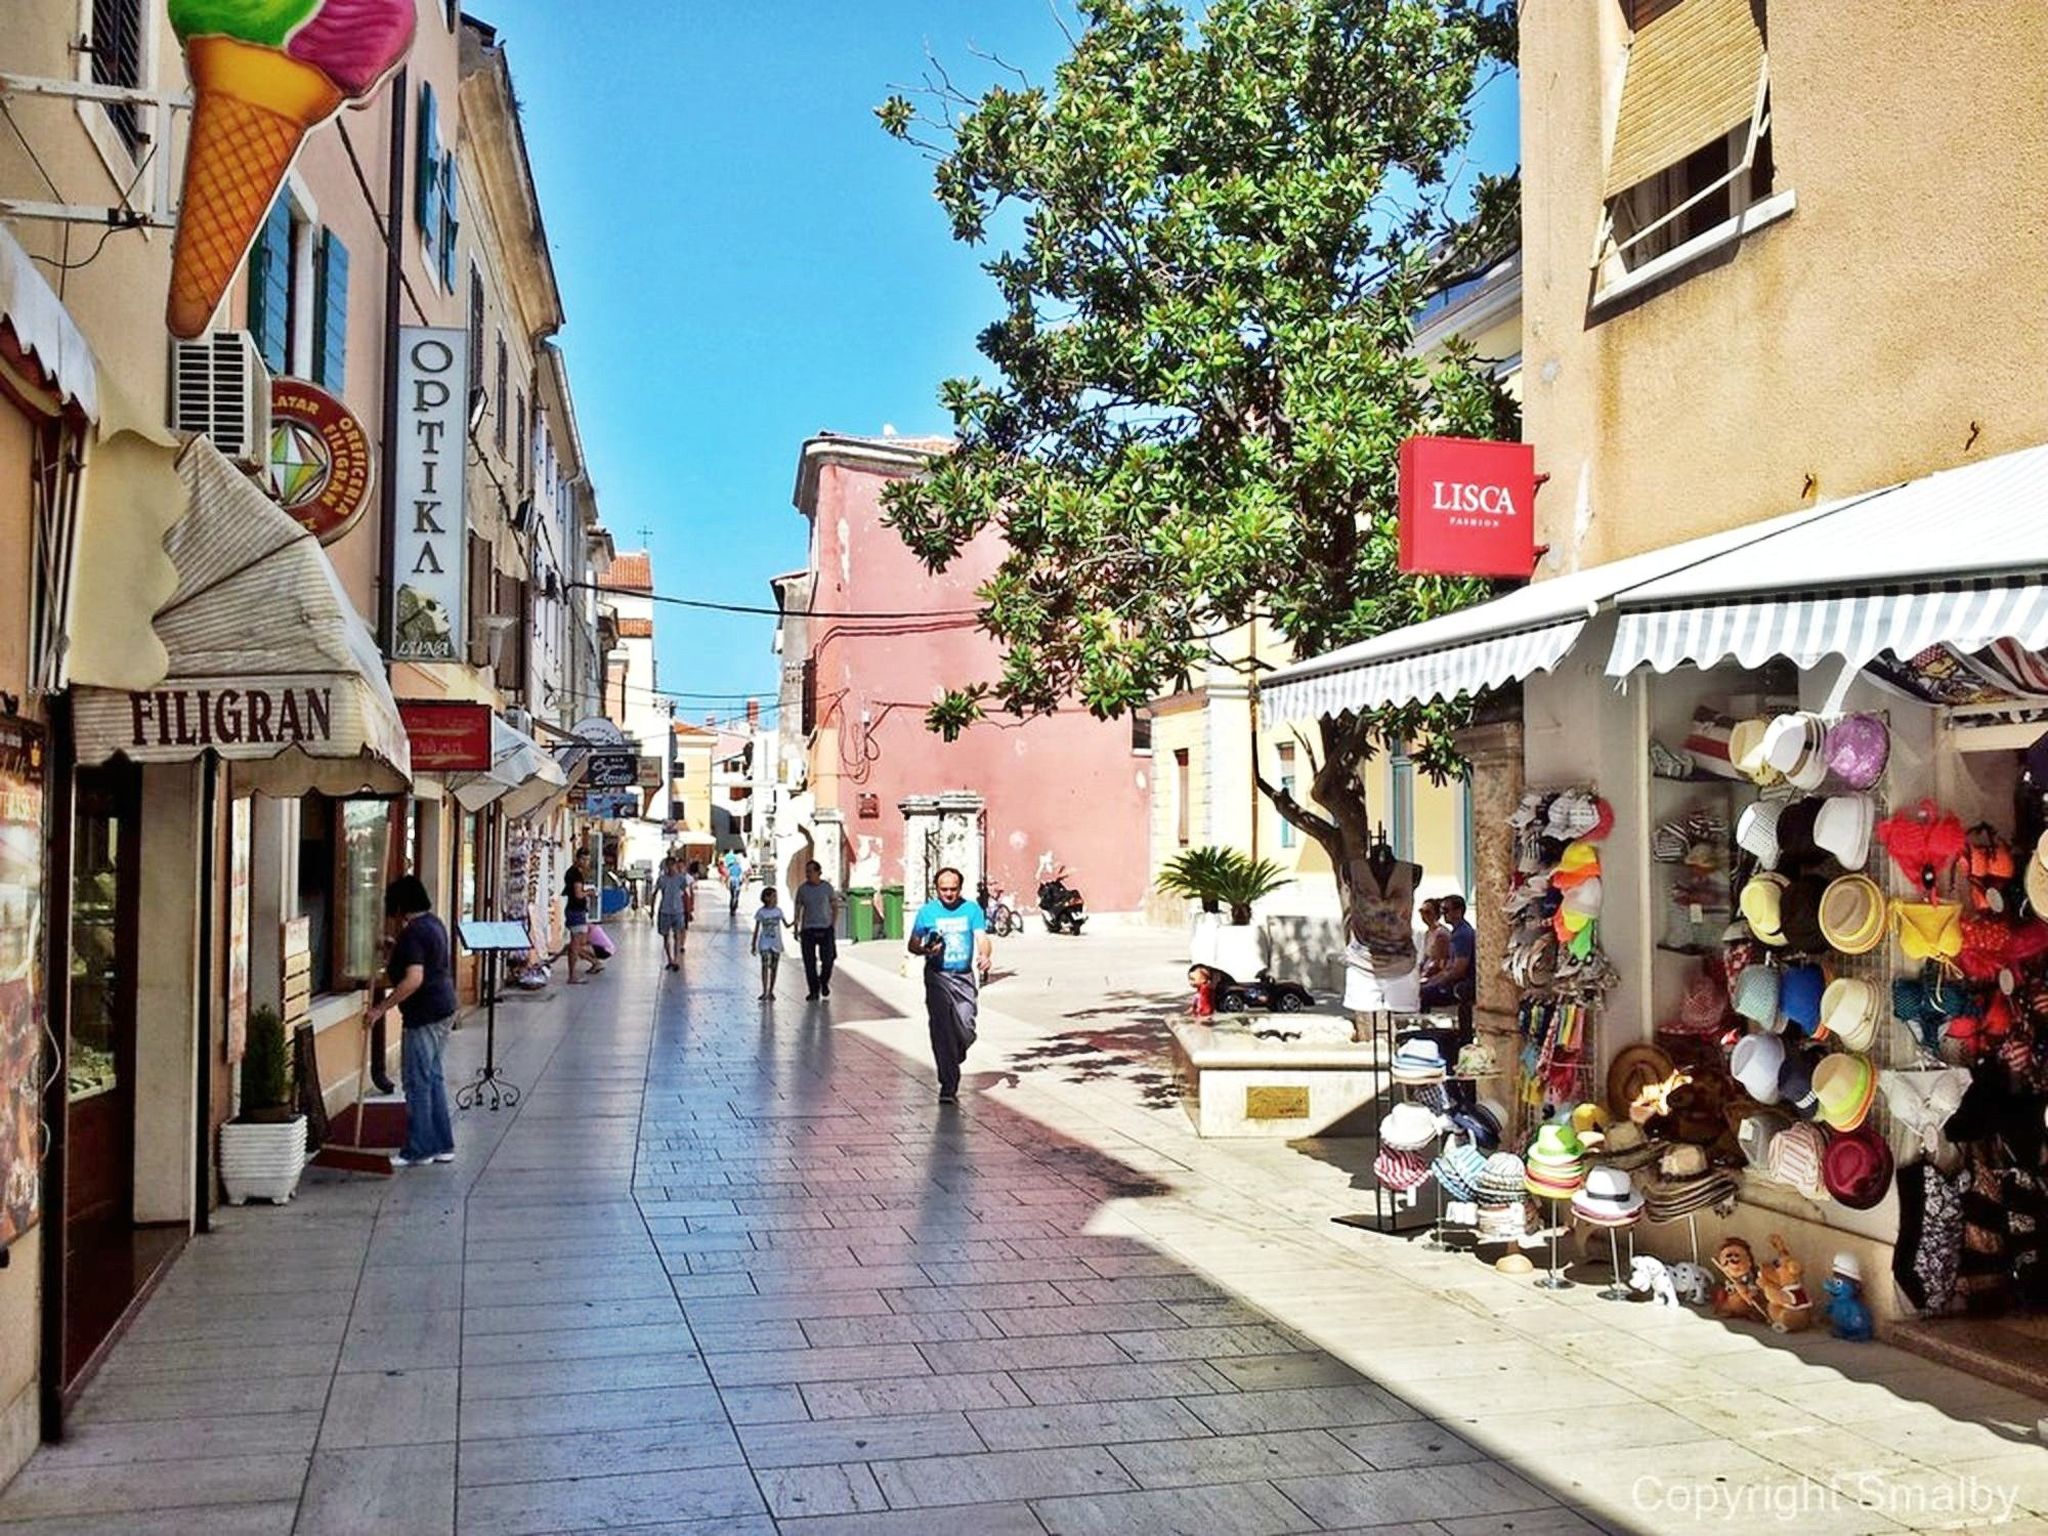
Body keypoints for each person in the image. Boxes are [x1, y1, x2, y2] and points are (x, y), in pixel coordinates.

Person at [366, 876, 457, 1168]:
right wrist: (395, 947)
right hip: (444, 1007)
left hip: (423, 1014)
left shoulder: (414, 933)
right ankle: (442, 1144)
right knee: (433, 1078)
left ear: (401, 905)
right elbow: (422, 961)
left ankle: (419, 1148)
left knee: (417, 1082)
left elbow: (414, 978)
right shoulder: (433, 924)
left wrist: (381, 1008)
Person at [908, 867, 991, 1106]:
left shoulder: (972, 909)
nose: (949, 894)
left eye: (953, 889)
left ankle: (955, 1053)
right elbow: (912, 944)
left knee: (966, 1026)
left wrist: (985, 956)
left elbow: (982, 939)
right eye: (944, 889)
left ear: (960, 888)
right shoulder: (927, 912)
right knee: (942, 1030)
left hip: (964, 977)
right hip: (937, 976)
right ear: (937, 889)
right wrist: (925, 950)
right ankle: (948, 1085)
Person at [1420, 892, 1477, 1022]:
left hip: (1462, 984)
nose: (1443, 914)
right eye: (1442, 910)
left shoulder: (1461, 935)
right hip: (1456, 981)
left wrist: (1433, 982)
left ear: (1458, 911)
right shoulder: (1458, 932)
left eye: (1446, 910)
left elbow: (1458, 969)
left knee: (1424, 994)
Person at [794, 859, 843, 1000]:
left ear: (818, 872)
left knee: (828, 960)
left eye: (810, 871)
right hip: (808, 929)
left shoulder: (827, 888)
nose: (807, 874)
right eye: (806, 872)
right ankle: (814, 991)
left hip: (825, 928)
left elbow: (834, 906)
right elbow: (798, 908)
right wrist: (797, 925)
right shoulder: (802, 889)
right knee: (809, 963)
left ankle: (824, 981)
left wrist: (833, 924)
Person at [561, 852, 599, 982]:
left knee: (578, 942)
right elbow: (578, 894)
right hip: (576, 911)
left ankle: (593, 962)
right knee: (577, 943)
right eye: (583, 859)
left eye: (588, 860)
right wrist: (589, 892)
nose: (586, 862)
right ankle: (572, 976)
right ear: (577, 859)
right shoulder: (576, 875)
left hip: (574, 910)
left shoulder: (571, 872)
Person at [653, 856, 690, 971]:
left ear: (675, 866)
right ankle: (669, 959)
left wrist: (688, 909)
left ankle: (676, 959)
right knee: (665, 936)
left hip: (678, 911)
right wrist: (652, 909)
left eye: (672, 865)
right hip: (664, 911)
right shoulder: (662, 879)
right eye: (668, 866)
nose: (670, 868)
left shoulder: (681, 879)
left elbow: (686, 893)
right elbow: (654, 894)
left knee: (677, 935)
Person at [752, 886, 787, 998]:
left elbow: (786, 925)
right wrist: (753, 944)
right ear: (767, 898)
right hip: (765, 942)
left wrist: (796, 923)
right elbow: (757, 929)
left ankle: (771, 990)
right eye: (773, 896)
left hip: (776, 942)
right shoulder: (761, 912)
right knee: (764, 965)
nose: (776, 899)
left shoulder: (779, 911)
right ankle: (764, 990)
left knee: (774, 967)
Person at [724, 849, 746, 916]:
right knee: (736, 896)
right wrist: (743, 882)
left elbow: (728, 875)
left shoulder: (730, 867)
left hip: (731, 881)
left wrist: (726, 883)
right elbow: (742, 876)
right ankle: (734, 908)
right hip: (737, 881)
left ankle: (731, 909)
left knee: (732, 896)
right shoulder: (739, 867)